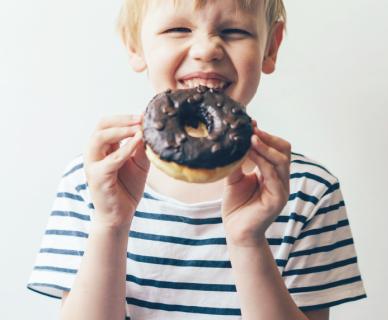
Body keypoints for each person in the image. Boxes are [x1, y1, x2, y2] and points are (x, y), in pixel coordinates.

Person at [27, 0, 367, 319]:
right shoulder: (93, 181)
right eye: (178, 29)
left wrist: (249, 242)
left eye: (235, 31)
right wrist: (110, 224)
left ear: (271, 47)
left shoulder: (307, 192)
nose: (207, 50)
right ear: (135, 45)